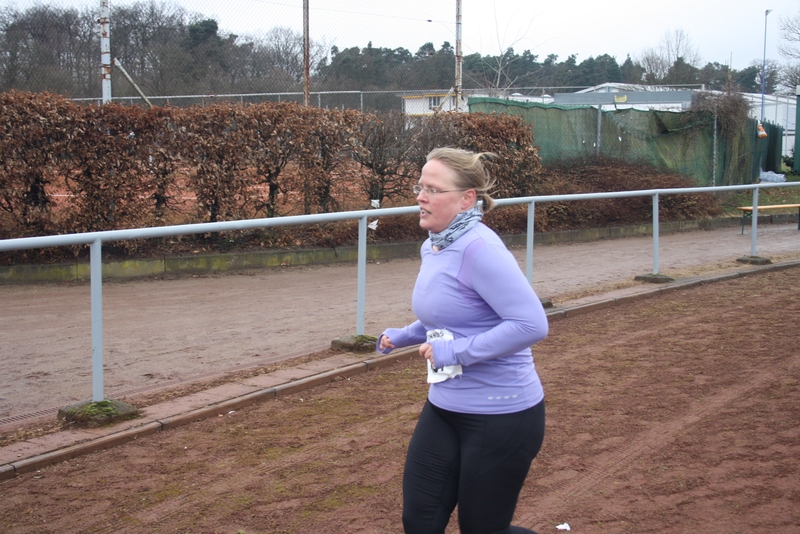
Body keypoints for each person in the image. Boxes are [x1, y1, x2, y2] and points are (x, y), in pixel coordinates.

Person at [377, 147, 549, 534]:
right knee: (419, 522)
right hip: (444, 408)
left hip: (503, 414)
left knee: (483, 530)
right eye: (420, 187)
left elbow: (531, 324)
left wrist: (455, 351)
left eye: (433, 190)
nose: (421, 197)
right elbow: (448, 315)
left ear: (466, 199)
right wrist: (404, 335)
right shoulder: (434, 245)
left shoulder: (481, 249)